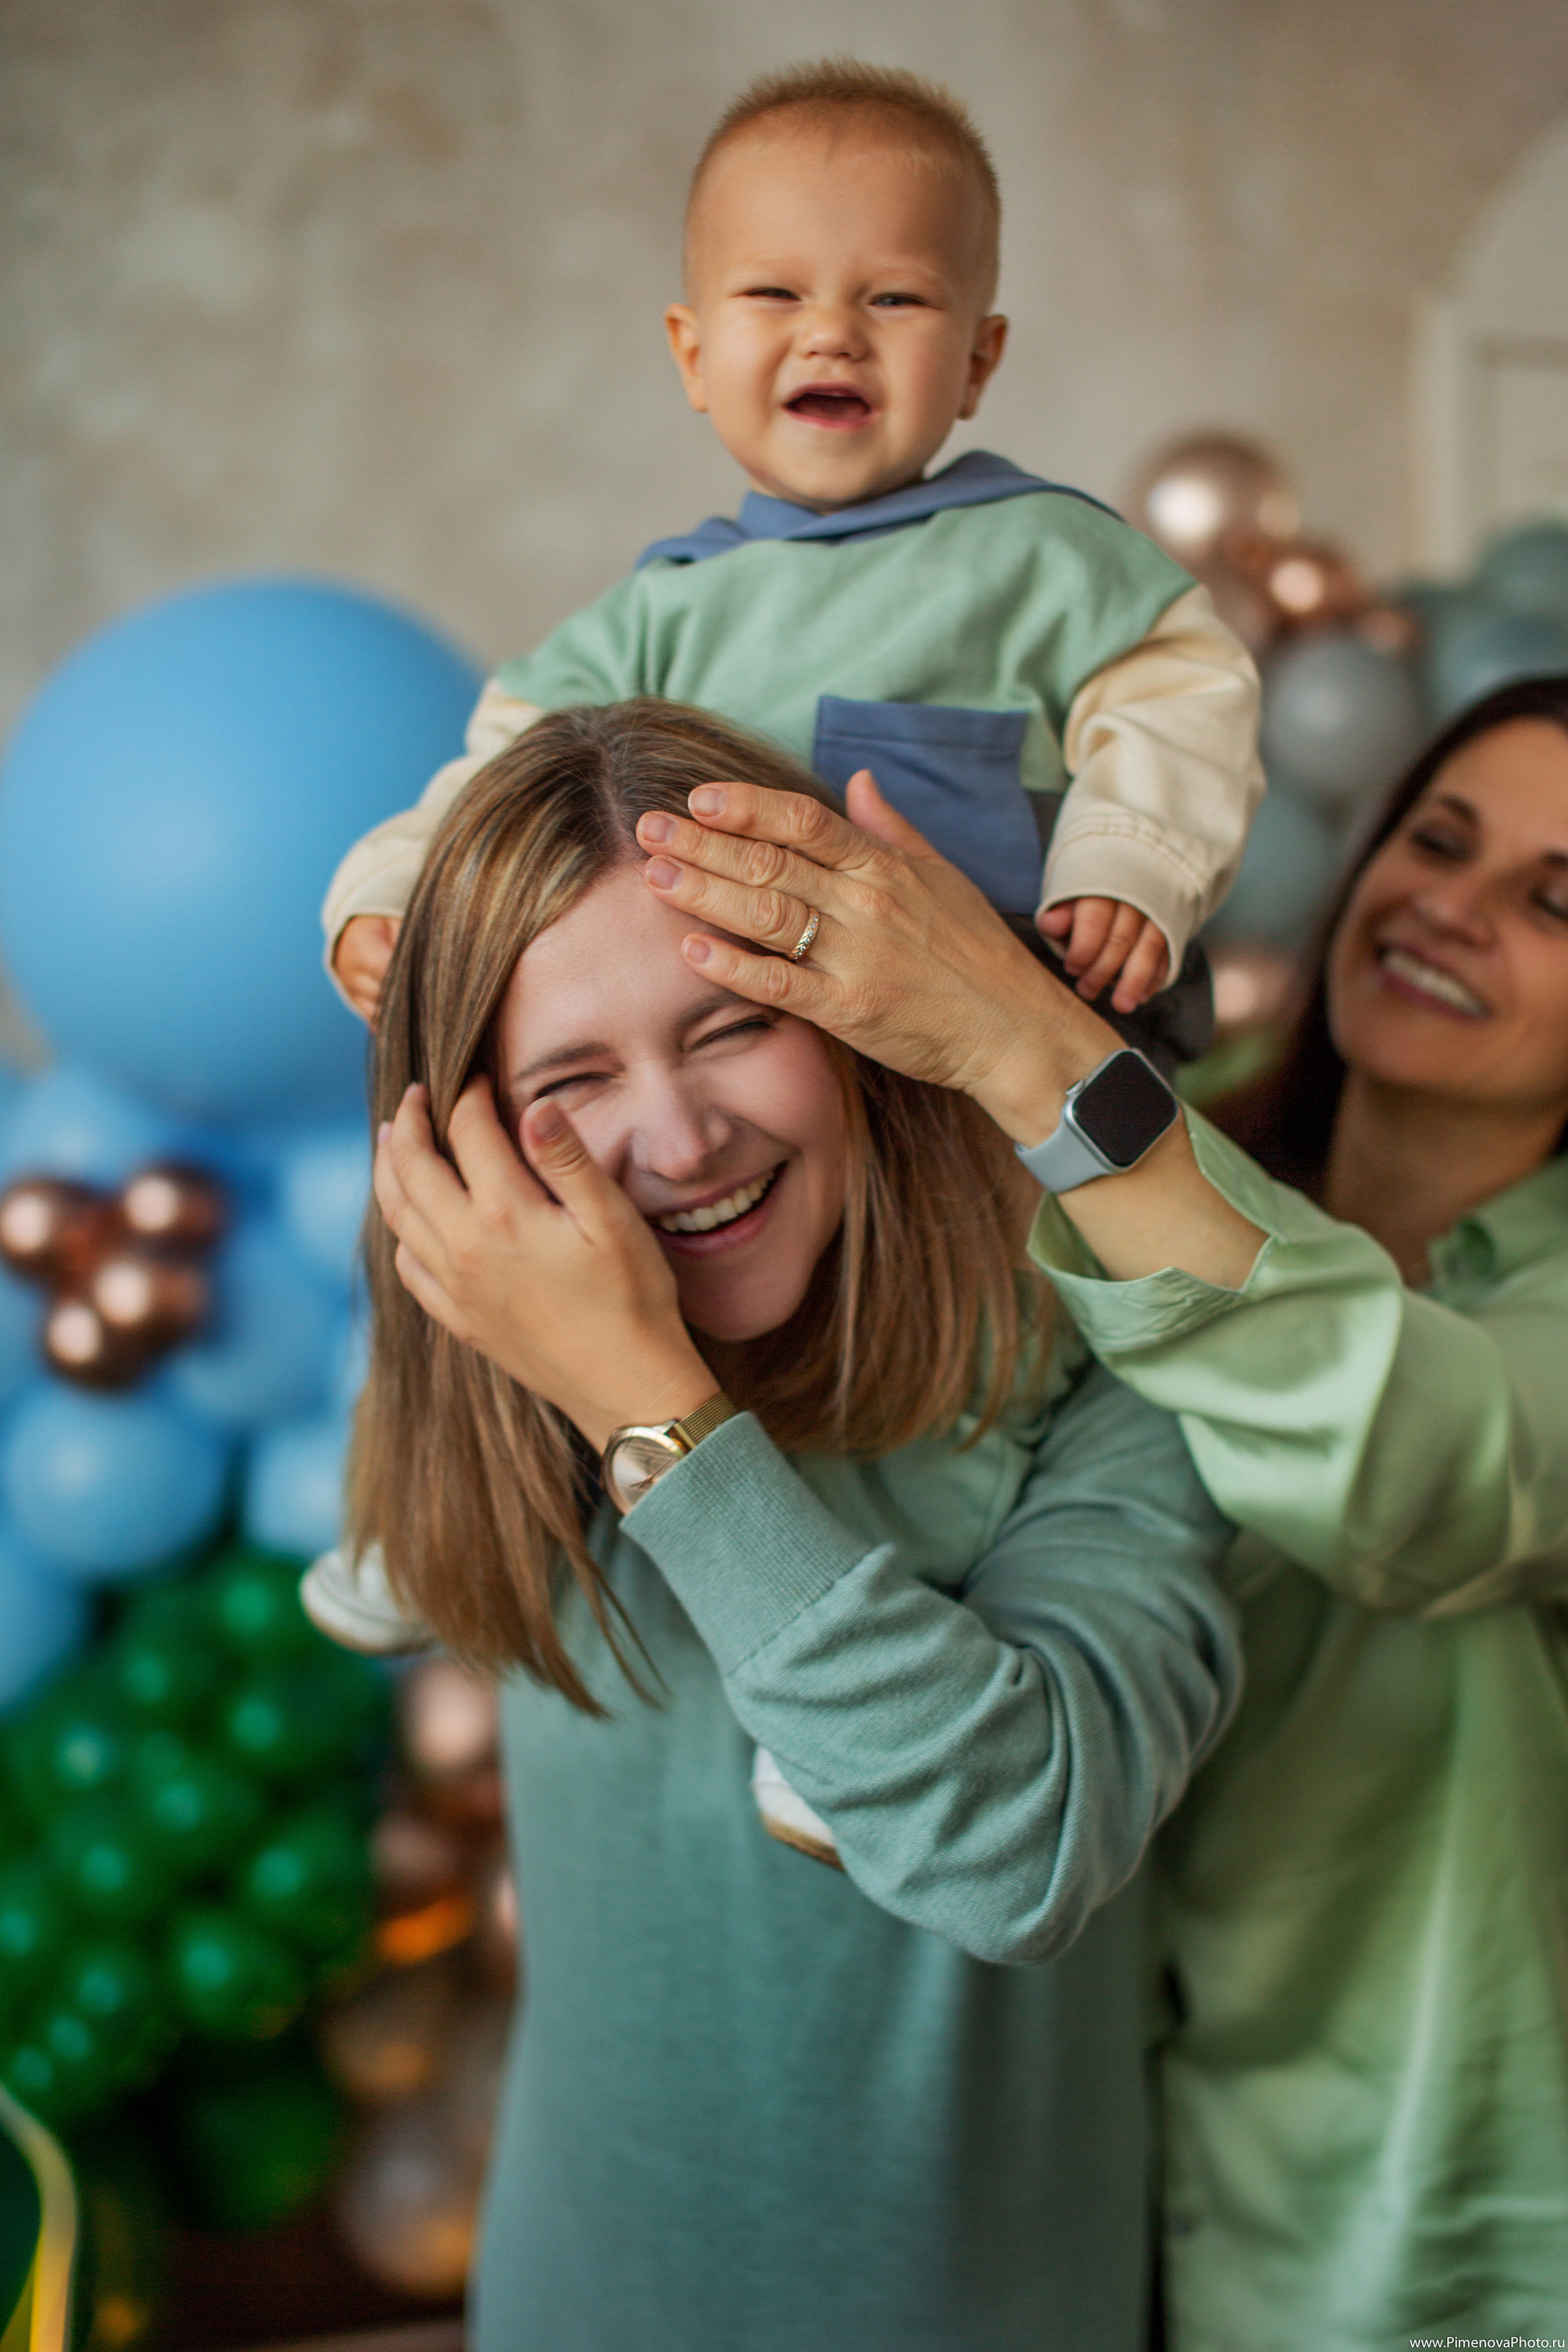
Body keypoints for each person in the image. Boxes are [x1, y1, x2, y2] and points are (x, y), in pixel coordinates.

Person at [638, 673, 1568, 2349]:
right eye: (1437, 838)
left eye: (1554, 899)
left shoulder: (1106, 1141)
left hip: (1450, 2246)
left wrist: (1011, 1033)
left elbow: (1404, 1463)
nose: (1452, 904)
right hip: (1107, 2196)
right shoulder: (1148, 1158)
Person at [353, 697, 1242, 2352]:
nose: (684, 1141)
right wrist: (560, 1363)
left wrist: (654, 1413)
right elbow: (385, 1572)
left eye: (730, 1026)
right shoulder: (520, 1357)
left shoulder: (1108, 1354)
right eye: (574, 1079)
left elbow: (1019, 1855)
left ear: (850, 1021)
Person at [322, 56, 1262, 1040]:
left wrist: (1129, 858)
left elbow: (1184, 701)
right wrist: (401, 888)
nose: (831, 335)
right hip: (744, 1074)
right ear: (693, 355)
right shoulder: (654, 619)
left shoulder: (1050, 556)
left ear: (978, 361)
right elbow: (507, 780)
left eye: (894, 299)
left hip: (998, 1059)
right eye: (775, 293)